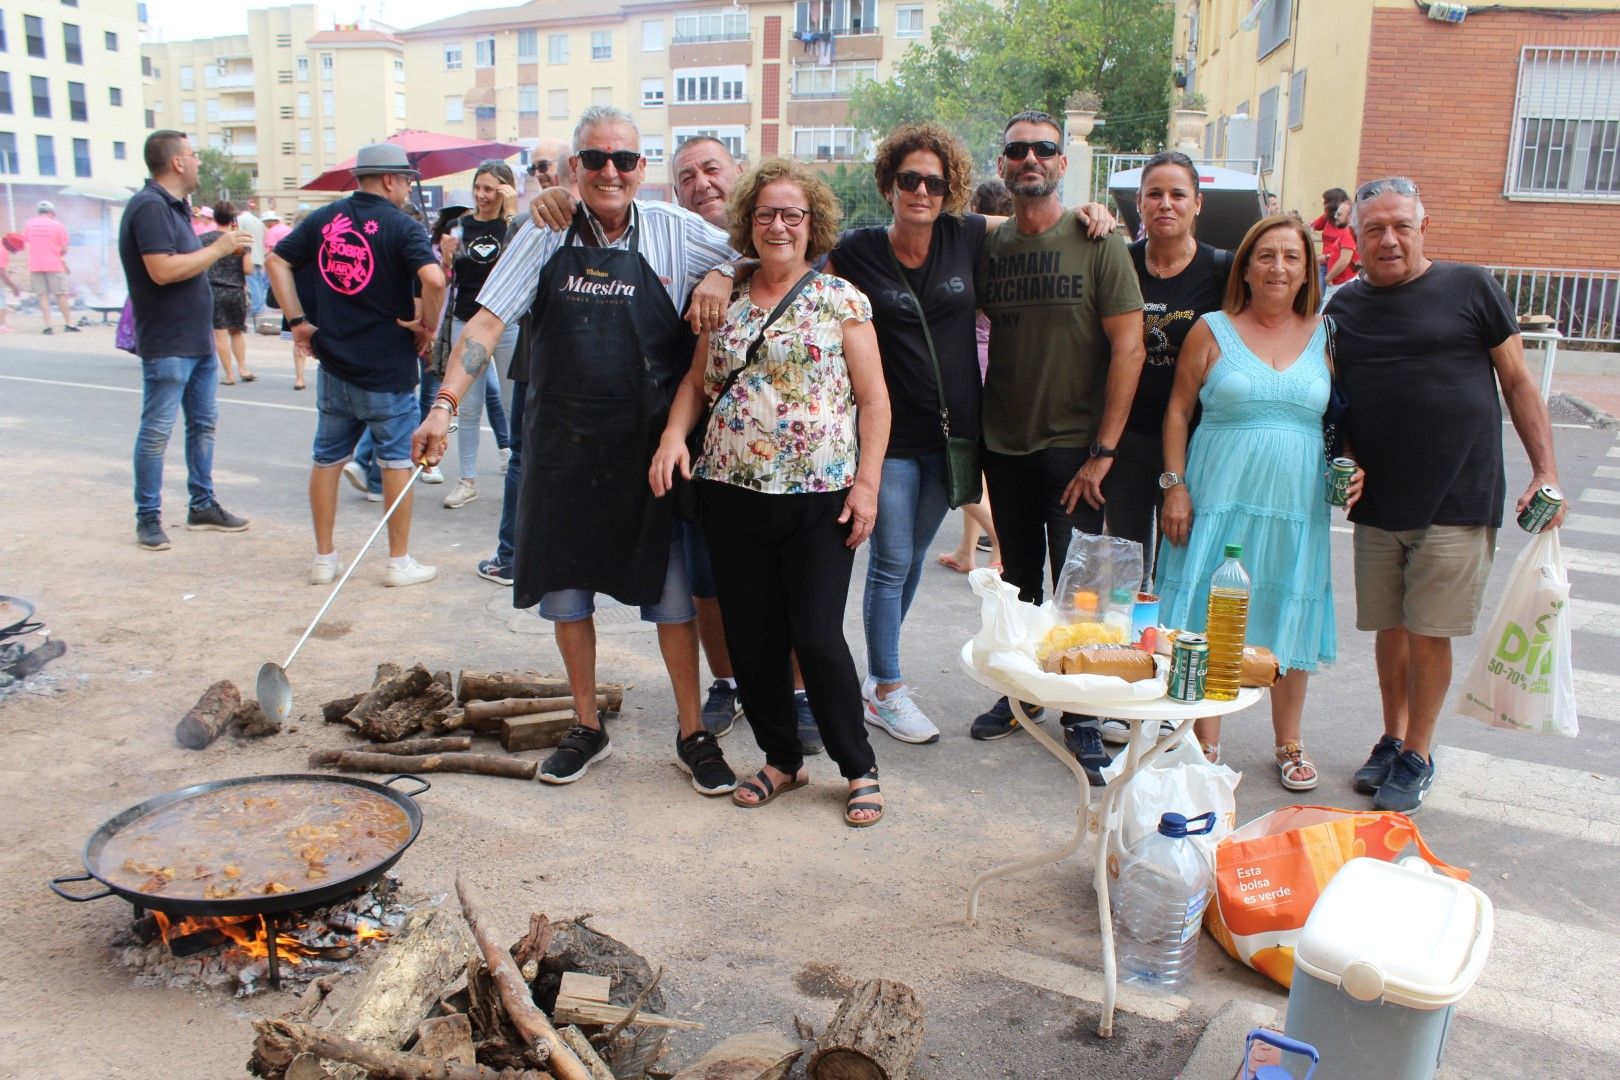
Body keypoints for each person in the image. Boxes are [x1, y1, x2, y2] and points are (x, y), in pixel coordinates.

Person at [413, 105, 738, 794]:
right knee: (568, 597)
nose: (610, 171)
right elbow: (488, 319)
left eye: (624, 159)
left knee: (672, 601)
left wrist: (725, 275)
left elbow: (769, 246)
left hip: (647, 449)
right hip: (562, 448)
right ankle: (586, 726)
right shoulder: (543, 233)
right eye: (595, 160)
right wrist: (443, 405)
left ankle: (691, 732)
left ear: (642, 169)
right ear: (574, 170)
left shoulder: (680, 234)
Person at [651, 156, 892, 825]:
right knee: (752, 637)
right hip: (732, 493)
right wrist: (675, 436)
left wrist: (867, 485)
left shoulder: (840, 299)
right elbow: (697, 383)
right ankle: (782, 759)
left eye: (792, 215)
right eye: (766, 214)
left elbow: (874, 402)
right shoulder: (721, 296)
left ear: (811, 224)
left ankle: (858, 764)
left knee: (815, 636)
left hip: (821, 497)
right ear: (747, 222)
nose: (778, 225)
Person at [1326, 176, 1565, 813]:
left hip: (1459, 495)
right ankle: (1392, 736)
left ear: (1423, 227)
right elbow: (1337, 407)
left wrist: (1545, 471)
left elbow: (1517, 384)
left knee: (1430, 631)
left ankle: (1420, 754)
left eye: (1401, 225)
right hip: (1376, 504)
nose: (1389, 239)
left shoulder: (1470, 288)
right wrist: (1344, 460)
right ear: (1358, 237)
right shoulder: (1342, 310)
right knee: (1389, 626)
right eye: (1374, 228)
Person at [969, 109, 1146, 783]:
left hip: (1076, 445)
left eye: (1045, 148)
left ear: (1064, 163)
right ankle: (1022, 698)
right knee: (1017, 583)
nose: (1031, 159)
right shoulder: (990, 245)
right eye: (1018, 151)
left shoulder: (1098, 240)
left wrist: (1104, 450)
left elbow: (1129, 349)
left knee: (1083, 589)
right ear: (1003, 166)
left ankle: (1081, 710)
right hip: (1005, 442)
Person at [1158, 214, 1352, 790]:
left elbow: (1343, 418)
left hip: (1296, 504)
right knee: (1213, 612)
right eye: (1266, 255)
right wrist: (1175, 486)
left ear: (1307, 271)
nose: (1279, 267)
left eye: (1292, 257)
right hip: (1219, 497)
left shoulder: (1327, 334)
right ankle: (1205, 738)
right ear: (1245, 267)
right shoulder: (1211, 330)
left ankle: (1288, 741)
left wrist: (1353, 467)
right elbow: (1176, 411)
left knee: (1288, 609)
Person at [266, 142, 445, 589]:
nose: (407, 187)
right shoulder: (403, 227)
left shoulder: (325, 219)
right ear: (389, 180)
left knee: (327, 459)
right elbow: (435, 278)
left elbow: (275, 261)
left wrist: (298, 323)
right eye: (405, 180)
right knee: (396, 463)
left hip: (334, 364)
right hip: (388, 368)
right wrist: (428, 326)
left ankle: (324, 558)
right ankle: (398, 562)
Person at [119, 130, 253, 551]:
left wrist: (214, 251)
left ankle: (202, 504)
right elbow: (162, 270)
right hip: (169, 340)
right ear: (176, 162)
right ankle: (148, 516)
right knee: (157, 431)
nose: (198, 162)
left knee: (203, 425)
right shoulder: (150, 207)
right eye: (193, 156)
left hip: (196, 340)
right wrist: (218, 249)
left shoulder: (173, 209)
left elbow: (183, 262)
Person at [1104, 153, 1232, 592]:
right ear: (1139, 203)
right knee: (1123, 568)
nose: (1166, 204)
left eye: (1178, 194)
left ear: (1198, 204)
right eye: (1154, 194)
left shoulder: (1221, 270)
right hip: (1127, 440)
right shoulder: (1120, 262)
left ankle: (1166, 654)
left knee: (1178, 566)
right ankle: (1122, 655)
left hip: (1195, 444)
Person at [435, 162, 518, 510]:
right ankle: (466, 480)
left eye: (491, 189)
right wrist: (447, 260)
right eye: (478, 188)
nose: (483, 196)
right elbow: (451, 278)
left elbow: (523, 263)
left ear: (506, 191)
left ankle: (519, 477)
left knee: (516, 406)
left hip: (509, 322)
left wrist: (512, 212)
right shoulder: (459, 226)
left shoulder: (517, 226)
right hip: (467, 322)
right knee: (467, 408)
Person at [939, 179, 1012, 576]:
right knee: (972, 461)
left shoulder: (970, 251)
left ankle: (998, 537)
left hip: (970, 364)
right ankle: (968, 550)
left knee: (949, 461)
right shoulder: (1006, 249)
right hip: (991, 360)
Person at [199, 201, 255, 384]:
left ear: (214, 218)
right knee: (237, 331)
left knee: (219, 333)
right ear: (233, 219)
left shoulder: (204, 240)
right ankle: (243, 368)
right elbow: (248, 269)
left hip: (213, 290)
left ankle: (229, 375)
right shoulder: (239, 239)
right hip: (236, 291)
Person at [25, 201, 78, 335]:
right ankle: (69, 324)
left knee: (42, 296)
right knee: (61, 294)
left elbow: (27, 244)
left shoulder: (29, 224)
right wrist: (57, 254)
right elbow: (64, 248)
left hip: (35, 264)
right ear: (51, 212)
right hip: (54, 264)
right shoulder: (57, 225)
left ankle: (48, 326)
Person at [1319, 198, 1357, 307]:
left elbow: (1345, 259)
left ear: (1350, 216)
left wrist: (1328, 277)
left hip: (1340, 283)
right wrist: (1327, 257)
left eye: (1339, 214)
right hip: (1344, 281)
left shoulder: (1348, 233)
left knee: (1324, 317)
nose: (1335, 216)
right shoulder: (1351, 233)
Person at [238, 203, 267, 317]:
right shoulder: (258, 221)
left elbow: (239, 238)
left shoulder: (240, 220)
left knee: (253, 283)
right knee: (259, 283)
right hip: (259, 255)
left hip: (249, 256)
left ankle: (256, 309)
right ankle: (259, 307)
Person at [0, 233, 23, 334]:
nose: (12, 252)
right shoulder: (2, 252)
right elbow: (2, 273)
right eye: (13, 249)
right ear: (9, 245)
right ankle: (1, 326)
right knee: (1, 302)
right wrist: (14, 287)